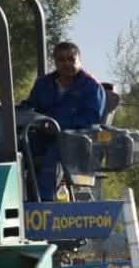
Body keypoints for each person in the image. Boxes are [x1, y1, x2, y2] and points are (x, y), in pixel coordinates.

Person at [19, 40, 106, 200]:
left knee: (54, 154)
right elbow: (31, 107)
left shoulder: (91, 87)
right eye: (61, 60)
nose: (66, 64)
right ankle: (20, 198)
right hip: (43, 135)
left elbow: (91, 119)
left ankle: (45, 202)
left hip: (77, 140)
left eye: (71, 59)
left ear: (79, 60)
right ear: (55, 62)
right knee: (19, 146)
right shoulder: (43, 84)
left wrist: (58, 126)